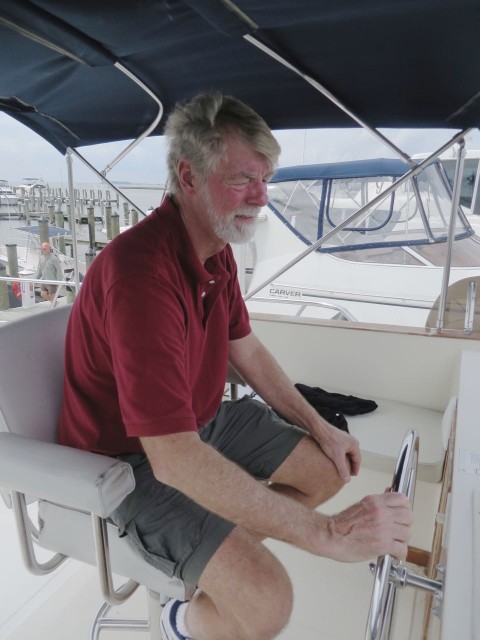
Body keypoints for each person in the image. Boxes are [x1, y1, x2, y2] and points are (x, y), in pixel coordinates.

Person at [58, 93, 413, 640]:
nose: (262, 196)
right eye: (244, 179)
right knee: (267, 601)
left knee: (326, 466)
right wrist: (325, 533)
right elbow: (173, 459)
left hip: (201, 424)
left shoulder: (214, 246)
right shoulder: (140, 277)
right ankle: (182, 618)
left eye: (266, 178)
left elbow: (245, 348)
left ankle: (213, 552)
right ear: (189, 176)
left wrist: (319, 424)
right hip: (130, 460)